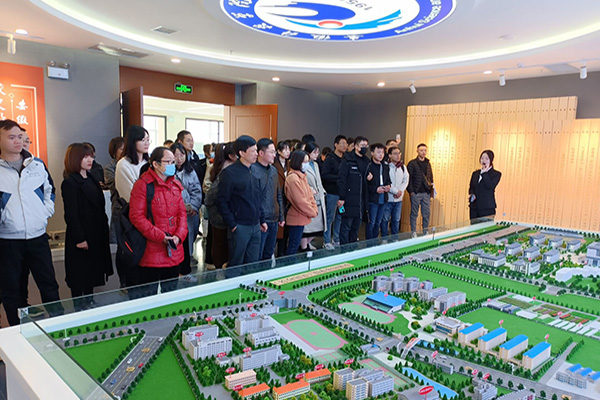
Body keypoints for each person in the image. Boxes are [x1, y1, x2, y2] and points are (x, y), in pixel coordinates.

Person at [0, 119, 61, 325]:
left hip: (37, 236)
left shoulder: (37, 165)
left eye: (20, 137)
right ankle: (17, 330)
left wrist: (45, 213)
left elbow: (49, 191)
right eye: (11, 137)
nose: (18, 141)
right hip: (8, 240)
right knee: (13, 289)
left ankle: (59, 327)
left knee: (49, 284)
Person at [129, 147, 188, 294]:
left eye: (173, 162)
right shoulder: (143, 185)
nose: (172, 165)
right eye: (168, 162)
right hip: (150, 252)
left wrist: (179, 236)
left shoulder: (175, 185)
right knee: (148, 296)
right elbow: (137, 216)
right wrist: (161, 237)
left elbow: (182, 213)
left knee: (171, 294)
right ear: (155, 164)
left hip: (173, 249)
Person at [61, 143, 113, 309]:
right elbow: (71, 214)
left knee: (92, 271)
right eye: (85, 157)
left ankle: (89, 300)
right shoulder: (70, 182)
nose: (90, 160)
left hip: (96, 232)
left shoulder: (91, 178)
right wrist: (80, 238)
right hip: (81, 235)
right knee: (79, 274)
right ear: (75, 158)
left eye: (91, 156)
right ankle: (79, 305)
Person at [217, 135, 266, 267]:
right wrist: (232, 224)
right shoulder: (229, 173)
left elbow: (258, 199)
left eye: (256, 150)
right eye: (253, 151)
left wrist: (262, 219)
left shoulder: (255, 171)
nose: (256, 154)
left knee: (253, 264)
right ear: (242, 153)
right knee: (236, 264)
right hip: (239, 226)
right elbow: (221, 201)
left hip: (256, 225)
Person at [171, 142, 202, 282]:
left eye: (182, 155)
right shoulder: (168, 172)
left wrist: (194, 206)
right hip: (173, 213)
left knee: (188, 239)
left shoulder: (191, 171)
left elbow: (197, 190)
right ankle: (178, 271)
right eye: (175, 155)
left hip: (188, 213)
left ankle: (185, 270)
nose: (179, 158)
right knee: (176, 242)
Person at [205, 142, 237, 269]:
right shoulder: (226, 170)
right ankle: (219, 268)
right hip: (219, 213)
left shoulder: (227, 167)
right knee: (220, 242)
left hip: (224, 212)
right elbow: (210, 196)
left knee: (221, 242)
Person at [252, 138, 284, 260]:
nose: (274, 155)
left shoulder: (273, 170)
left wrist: (281, 216)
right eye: (271, 152)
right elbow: (254, 198)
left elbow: (278, 194)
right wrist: (260, 219)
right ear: (261, 153)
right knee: (258, 254)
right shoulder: (253, 170)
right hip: (261, 220)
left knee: (269, 252)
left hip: (274, 218)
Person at [337, 136, 369, 245]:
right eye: (362, 145)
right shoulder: (347, 161)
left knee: (356, 227)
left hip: (361, 200)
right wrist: (342, 197)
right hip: (348, 198)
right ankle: (344, 249)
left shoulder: (366, 161)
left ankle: (353, 248)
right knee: (346, 226)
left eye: (366, 145)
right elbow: (341, 180)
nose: (364, 148)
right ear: (355, 146)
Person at [285, 151, 318, 255]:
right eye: (305, 162)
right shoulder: (293, 178)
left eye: (308, 161)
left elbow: (310, 195)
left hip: (302, 217)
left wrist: (314, 209)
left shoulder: (302, 176)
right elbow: (300, 201)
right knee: (293, 246)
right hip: (296, 218)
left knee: (295, 244)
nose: (306, 164)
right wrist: (312, 212)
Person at [321, 135, 347, 249]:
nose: (344, 146)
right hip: (332, 192)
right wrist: (339, 178)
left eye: (345, 143)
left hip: (342, 193)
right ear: (335, 145)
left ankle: (336, 239)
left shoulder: (346, 159)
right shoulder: (330, 158)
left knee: (339, 217)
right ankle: (326, 240)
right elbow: (325, 175)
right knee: (330, 217)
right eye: (342, 143)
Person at [302, 142, 327, 251]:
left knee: (319, 227)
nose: (317, 155)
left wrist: (323, 192)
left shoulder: (316, 164)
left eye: (317, 152)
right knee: (307, 228)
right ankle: (304, 247)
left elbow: (319, 181)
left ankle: (307, 244)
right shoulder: (303, 165)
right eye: (314, 152)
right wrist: (310, 190)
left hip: (319, 197)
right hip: (309, 198)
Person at [115, 125, 150, 203]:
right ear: (133, 142)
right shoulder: (123, 165)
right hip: (134, 207)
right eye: (143, 140)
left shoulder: (148, 163)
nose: (147, 143)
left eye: (148, 140)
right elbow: (129, 195)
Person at [407, 143, 434, 236]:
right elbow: (408, 178)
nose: (423, 152)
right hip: (416, 192)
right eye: (421, 150)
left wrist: (431, 189)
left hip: (426, 192)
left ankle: (425, 231)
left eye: (425, 150)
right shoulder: (412, 163)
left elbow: (431, 177)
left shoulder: (428, 163)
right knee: (414, 214)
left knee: (426, 214)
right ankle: (413, 232)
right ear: (417, 151)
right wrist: (411, 191)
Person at [365, 143, 391, 239]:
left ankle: (375, 240)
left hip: (383, 197)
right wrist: (375, 189)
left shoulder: (385, 166)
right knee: (371, 222)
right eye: (378, 152)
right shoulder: (369, 166)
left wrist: (388, 186)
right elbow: (365, 185)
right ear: (372, 153)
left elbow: (388, 180)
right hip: (373, 198)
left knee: (378, 222)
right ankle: (369, 242)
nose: (381, 155)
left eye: (382, 152)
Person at [468, 150, 502, 219]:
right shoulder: (475, 173)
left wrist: (484, 173)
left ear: (491, 160)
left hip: (487, 208)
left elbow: (490, 186)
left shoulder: (496, 174)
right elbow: (471, 187)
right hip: (474, 207)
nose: (484, 160)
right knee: (473, 225)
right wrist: (472, 194)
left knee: (485, 225)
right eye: (482, 158)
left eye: (486, 158)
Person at [384, 146, 409, 235]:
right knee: (385, 220)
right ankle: (384, 239)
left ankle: (395, 239)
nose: (398, 156)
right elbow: (386, 181)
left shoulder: (402, 167)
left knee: (396, 220)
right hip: (388, 198)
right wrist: (395, 191)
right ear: (390, 155)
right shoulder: (386, 166)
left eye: (399, 153)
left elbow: (405, 180)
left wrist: (400, 191)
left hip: (399, 199)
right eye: (395, 154)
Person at [274, 140, 290, 256]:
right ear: (279, 151)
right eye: (285, 149)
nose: (287, 152)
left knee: (286, 231)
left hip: (288, 199)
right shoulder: (274, 165)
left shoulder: (290, 165)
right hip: (277, 198)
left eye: (289, 149)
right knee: (278, 230)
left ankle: (282, 253)